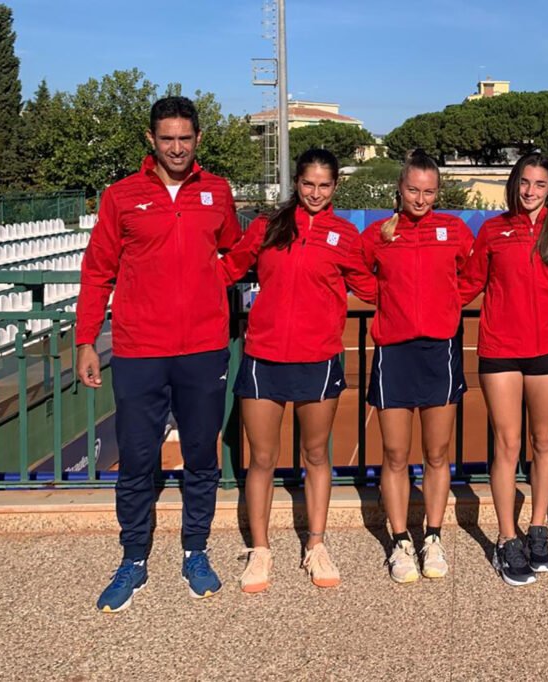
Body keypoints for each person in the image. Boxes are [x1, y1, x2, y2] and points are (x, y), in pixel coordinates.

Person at [76, 96, 242, 611]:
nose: (176, 147)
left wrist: (217, 275)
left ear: (198, 140)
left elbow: (234, 248)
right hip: (138, 349)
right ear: (151, 140)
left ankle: (196, 550)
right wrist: (86, 339)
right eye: (166, 138)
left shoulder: (217, 191)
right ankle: (133, 559)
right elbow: (97, 269)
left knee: (201, 459)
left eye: (185, 138)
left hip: (203, 349)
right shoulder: (121, 196)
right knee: (137, 461)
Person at [219, 148, 374, 593]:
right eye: (308, 184)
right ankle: (261, 550)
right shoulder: (267, 228)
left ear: (336, 187)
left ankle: (317, 544)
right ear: (296, 183)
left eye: (325, 186)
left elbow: (371, 284)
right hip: (263, 358)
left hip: (319, 359)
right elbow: (227, 268)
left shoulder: (345, 235)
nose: (316, 193)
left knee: (316, 455)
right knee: (262, 459)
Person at [459, 152, 548, 586]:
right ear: (515, 184)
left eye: (540, 184)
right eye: (525, 183)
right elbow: (469, 283)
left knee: (544, 440)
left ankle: (538, 528)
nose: (530, 191)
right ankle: (507, 537)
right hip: (499, 350)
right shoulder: (492, 229)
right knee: (507, 444)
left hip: (545, 348)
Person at [357, 151, 474, 583]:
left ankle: (434, 537)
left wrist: (448, 304)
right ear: (399, 189)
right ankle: (401, 540)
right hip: (394, 353)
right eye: (412, 190)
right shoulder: (379, 234)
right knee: (394, 454)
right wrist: (386, 300)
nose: (420, 198)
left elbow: (474, 273)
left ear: (437, 192)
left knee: (437, 453)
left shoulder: (455, 231)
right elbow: (356, 272)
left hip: (439, 351)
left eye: (428, 191)